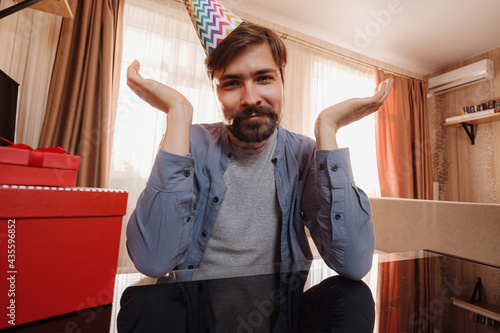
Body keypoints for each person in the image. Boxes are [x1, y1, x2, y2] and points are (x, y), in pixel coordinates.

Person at [125, 21, 393, 280]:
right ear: (216, 92)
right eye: (231, 83)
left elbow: (354, 264)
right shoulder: (190, 143)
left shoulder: (305, 154)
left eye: (264, 78)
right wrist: (178, 113)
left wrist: (328, 127)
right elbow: (153, 261)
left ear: (282, 82)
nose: (250, 98)